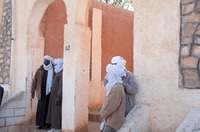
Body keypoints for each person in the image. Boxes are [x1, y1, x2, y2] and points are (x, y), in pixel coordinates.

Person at [100, 63, 126, 132]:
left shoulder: (117, 88)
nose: (107, 76)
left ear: (113, 76)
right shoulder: (115, 86)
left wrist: (102, 112)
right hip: (110, 120)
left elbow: (110, 105)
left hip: (112, 122)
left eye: (109, 74)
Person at [31, 55, 54, 129]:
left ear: (49, 62)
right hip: (41, 92)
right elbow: (34, 81)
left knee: (48, 109)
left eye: (46, 61)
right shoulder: (39, 70)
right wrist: (32, 91)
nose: (45, 62)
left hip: (50, 93)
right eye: (44, 61)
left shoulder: (53, 70)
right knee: (41, 108)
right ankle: (40, 124)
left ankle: (48, 124)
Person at [47, 58, 63, 132]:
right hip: (54, 96)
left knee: (57, 113)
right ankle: (54, 127)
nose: (55, 66)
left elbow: (60, 87)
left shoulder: (61, 74)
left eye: (57, 65)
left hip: (57, 96)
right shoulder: (58, 74)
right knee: (53, 112)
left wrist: (58, 97)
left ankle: (58, 127)